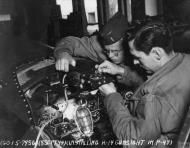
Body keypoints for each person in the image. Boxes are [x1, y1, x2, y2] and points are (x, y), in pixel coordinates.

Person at [98, 21, 190, 147]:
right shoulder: (185, 59)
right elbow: (158, 84)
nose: (135, 62)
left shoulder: (154, 96)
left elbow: (133, 141)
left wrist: (111, 96)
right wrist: (122, 71)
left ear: (157, 53)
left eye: (138, 57)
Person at [54, 12, 145, 90]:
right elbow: (71, 42)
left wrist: (121, 71)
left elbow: (146, 84)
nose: (110, 56)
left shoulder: (140, 52)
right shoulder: (98, 45)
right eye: (106, 51)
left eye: (115, 51)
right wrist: (63, 53)